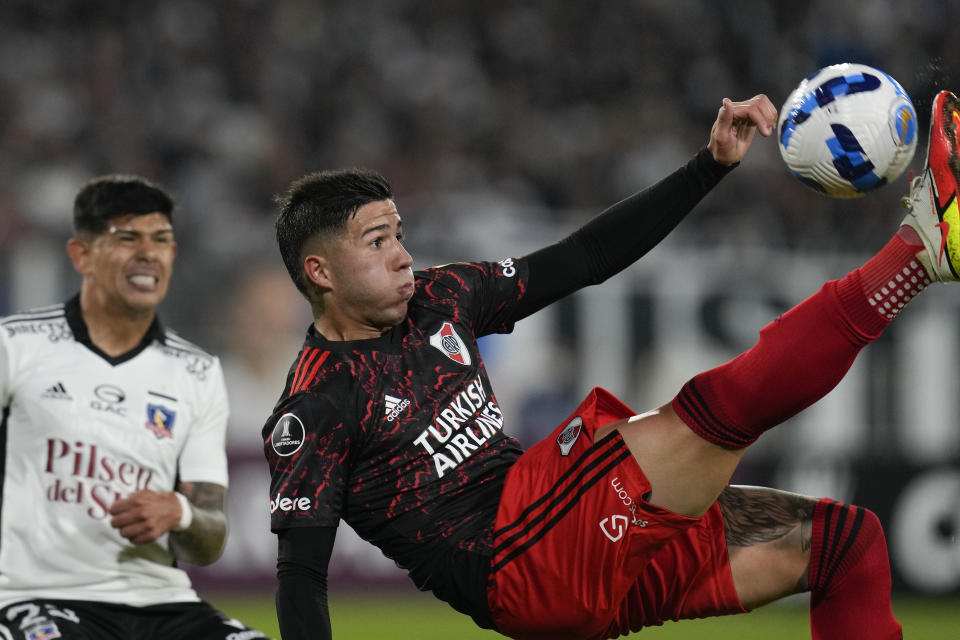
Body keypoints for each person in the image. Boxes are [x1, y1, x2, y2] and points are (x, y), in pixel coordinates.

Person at [263, 90, 960, 640]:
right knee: (712, 412)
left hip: (567, 537)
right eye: (377, 241)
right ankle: (922, 248)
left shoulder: (442, 297)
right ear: (320, 271)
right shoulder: (315, 405)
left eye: (400, 235)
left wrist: (708, 167)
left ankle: (925, 247)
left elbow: (586, 258)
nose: (403, 255)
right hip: (515, 560)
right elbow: (301, 573)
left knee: (844, 543)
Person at [0, 175, 271, 639]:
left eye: (161, 240)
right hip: (37, 596)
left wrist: (179, 514)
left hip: (161, 603)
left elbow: (210, 537)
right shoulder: (17, 345)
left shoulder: (197, 373)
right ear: (81, 255)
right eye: (127, 238)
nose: (148, 253)